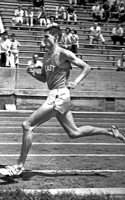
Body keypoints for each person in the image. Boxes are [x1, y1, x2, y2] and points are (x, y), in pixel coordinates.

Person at [4, 26, 125, 176]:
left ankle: (19, 166)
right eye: (43, 37)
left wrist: (75, 81)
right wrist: (32, 73)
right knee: (74, 132)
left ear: (56, 38)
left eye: (47, 37)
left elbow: (86, 67)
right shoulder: (46, 55)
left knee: (27, 125)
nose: (44, 40)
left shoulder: (64, 53)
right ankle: (110, 132)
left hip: (59, 95)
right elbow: (44, 79)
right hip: (55, 95)